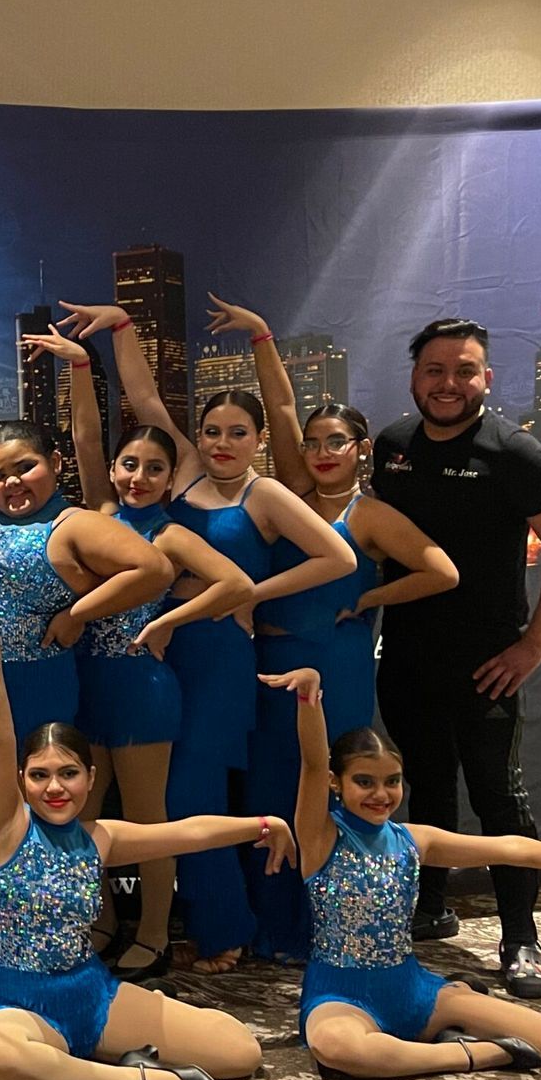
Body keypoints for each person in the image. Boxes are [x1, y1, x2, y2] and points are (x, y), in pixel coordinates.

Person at [59, 301, 353, 974]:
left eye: (238, 433)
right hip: (162, 659)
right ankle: (209, 923)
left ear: (257, 439)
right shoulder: (184, 473)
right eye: (213, 430)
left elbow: (335, 559)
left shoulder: (265, 495)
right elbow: (142, 401)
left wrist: (247, 595)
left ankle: (225, 932)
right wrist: (123, 327)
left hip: (217, 657)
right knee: (170, 798)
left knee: (193, 796)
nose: (223, 442)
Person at [0, 321, 171, 985]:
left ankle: (67, 930)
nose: (11, 481)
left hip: (23, 691)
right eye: (0, 472)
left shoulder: (73, 525)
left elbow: (153, 569)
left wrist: (76, 614)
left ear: (55, 466)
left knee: (29, 826)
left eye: (26, 468)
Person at [195, 297, 460, 963]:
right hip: (267, 663)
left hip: (335, 666)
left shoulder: (369, 515)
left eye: (335, 442)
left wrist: (368, 595)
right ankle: (272, 928)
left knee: (330, 786)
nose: (319, 452)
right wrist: (262, 337)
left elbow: (441, 571)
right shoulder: (292, 495)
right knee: (269, 790)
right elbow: (281, 408)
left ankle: (330, 928)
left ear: (360, 450)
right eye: (312, 443)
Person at [0, 631, 276, 1080]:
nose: (55, 788)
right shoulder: (6, 829)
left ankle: (86, 1062)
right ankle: (143, 1079)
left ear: (91, 778)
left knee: (241, 1051)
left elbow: (189, 832)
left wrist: (264, 825)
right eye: (40, 775)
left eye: (68, 773)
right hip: (19, 1007)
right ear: (21, 781)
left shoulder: (101, 837)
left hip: (93, 996)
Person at [370, 319, 541, 997]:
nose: (449, 383)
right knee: (426, 784)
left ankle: (521, 938)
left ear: (486, 378)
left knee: (498, 796)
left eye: (464, 370)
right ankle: (431, 906)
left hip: (486, 663)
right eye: (435, 370)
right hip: (405, 654)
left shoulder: (514, 452)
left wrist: (534, 645)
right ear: (415, 378)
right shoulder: (392, 446)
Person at [262, 666, 541, 1080]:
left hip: (412, 990)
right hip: (341, 996)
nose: (380, 794)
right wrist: (309, 697)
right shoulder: (321, 837)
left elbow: (508, 848)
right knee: (339, 1048)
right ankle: (468, 1052)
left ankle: (433, 1030)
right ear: (336, 783)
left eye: (392, 782)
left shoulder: (415, 840)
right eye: (364, 782)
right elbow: (312, 763)